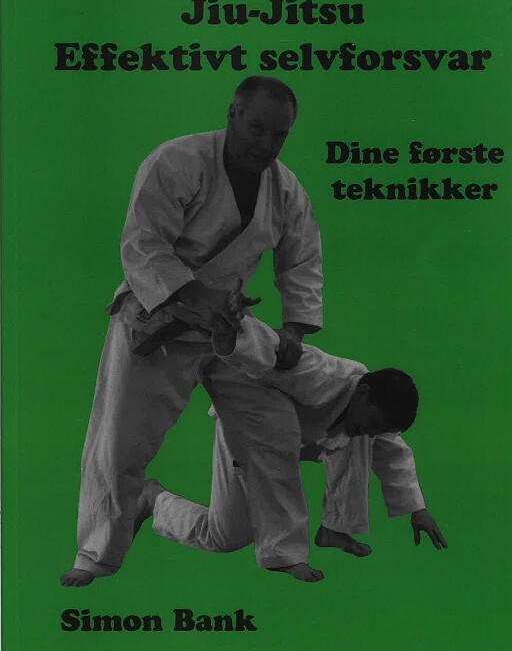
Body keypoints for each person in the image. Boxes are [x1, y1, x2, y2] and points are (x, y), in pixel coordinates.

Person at [60, 76, 324, 587]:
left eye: (279, 135)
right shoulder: (176, 160)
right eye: (257, 128)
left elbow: (302, 258)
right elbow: (142, 244)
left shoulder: (286, 188)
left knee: (273, 429)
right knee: (119, 446)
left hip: (230, 329)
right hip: (157, 319)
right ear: (233, 114)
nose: (266, 144)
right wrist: (197, 297)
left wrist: (294, 328)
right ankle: (96, 552)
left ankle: (283, 548)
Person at [136, 316, 446, 581]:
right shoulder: (321, 374)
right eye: (376, 421)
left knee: (364, 438)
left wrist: (417, 510)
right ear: (363, 392)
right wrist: (229, 330)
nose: (374, 430)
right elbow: (268, 351)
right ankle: (153, 499)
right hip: (248, 425)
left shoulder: (367, 414)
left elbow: (394, 452)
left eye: (381, 427)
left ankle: (335, 527)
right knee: (225, 536)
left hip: (297, 440)